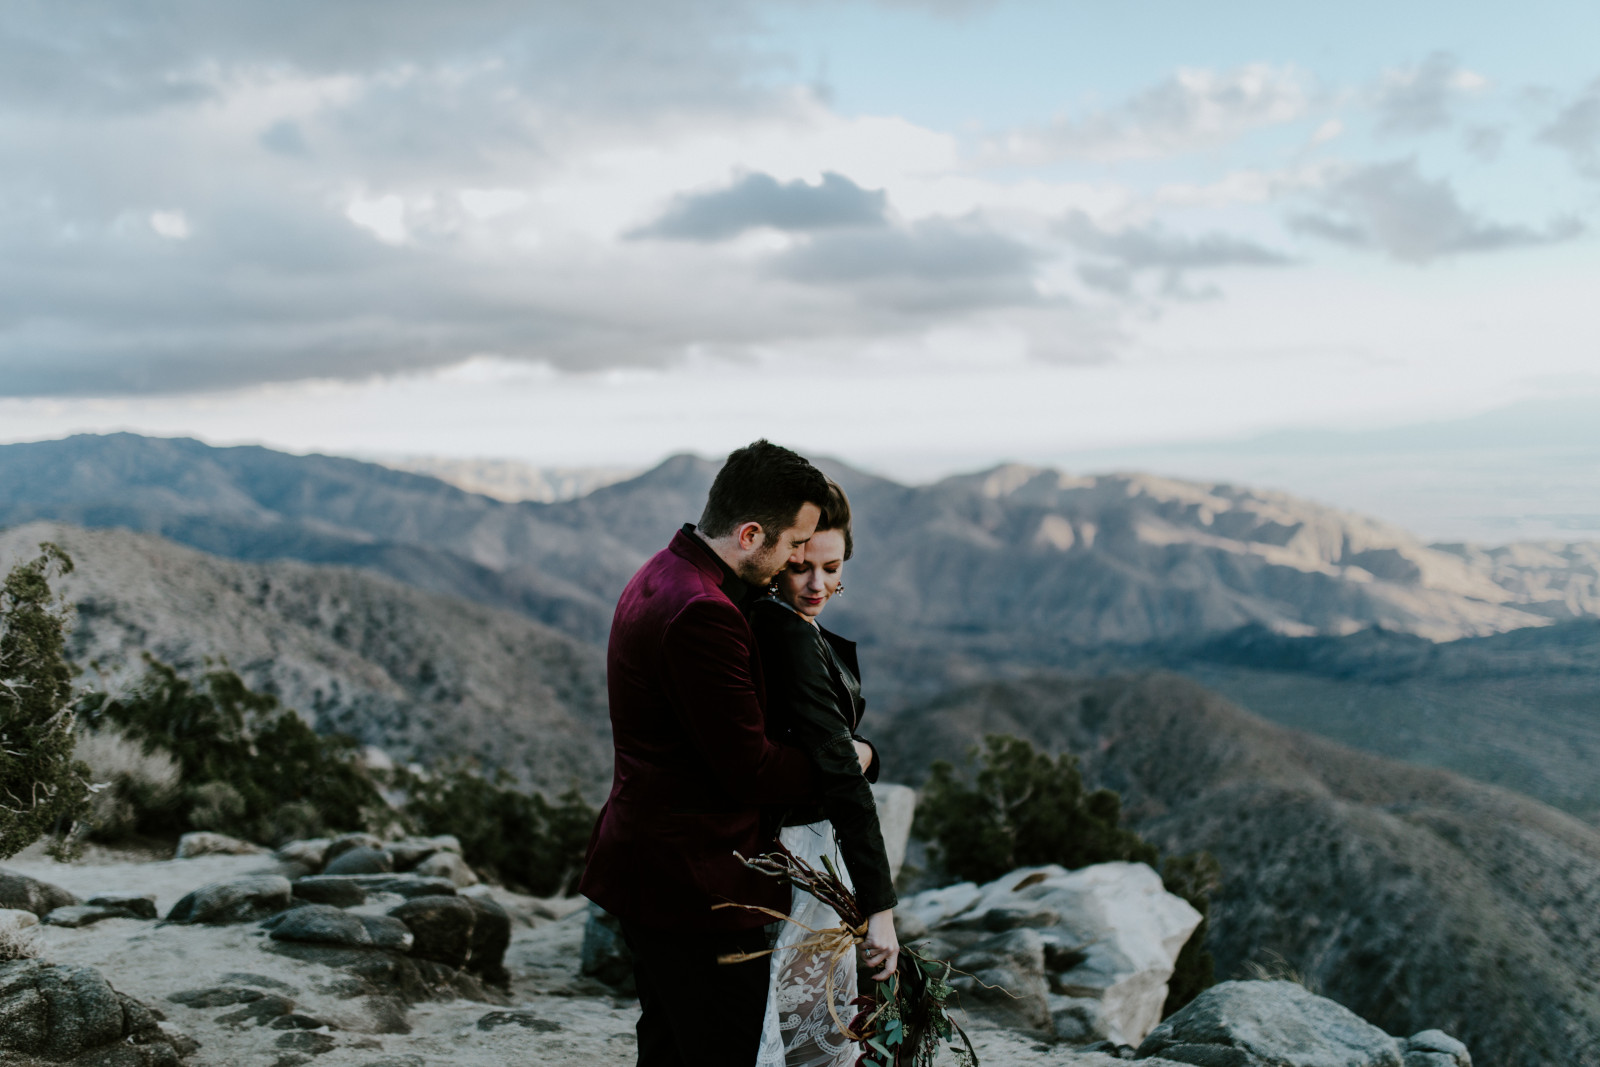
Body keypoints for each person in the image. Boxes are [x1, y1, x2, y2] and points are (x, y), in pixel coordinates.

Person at [579, 440, 874, 1067]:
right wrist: (855, 760)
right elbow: (752, 770)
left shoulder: (663, 570)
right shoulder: (704, 614)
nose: (801, 558)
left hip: (651, 864)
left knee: (668, 1045)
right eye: (794, 544)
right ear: (748, 533)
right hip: (694, 883)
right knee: (722, 1051)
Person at [749, 479, 899, 1067]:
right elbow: (840, 776)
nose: (817, 585)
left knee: (804, 1010)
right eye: (802, 568)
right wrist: (879, 910)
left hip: (808, 844)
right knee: (806, 1018)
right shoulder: (784, 632)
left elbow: (838, 747)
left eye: (831, 568)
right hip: (801, 845)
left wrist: (864, 752)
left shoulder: (792, 624)